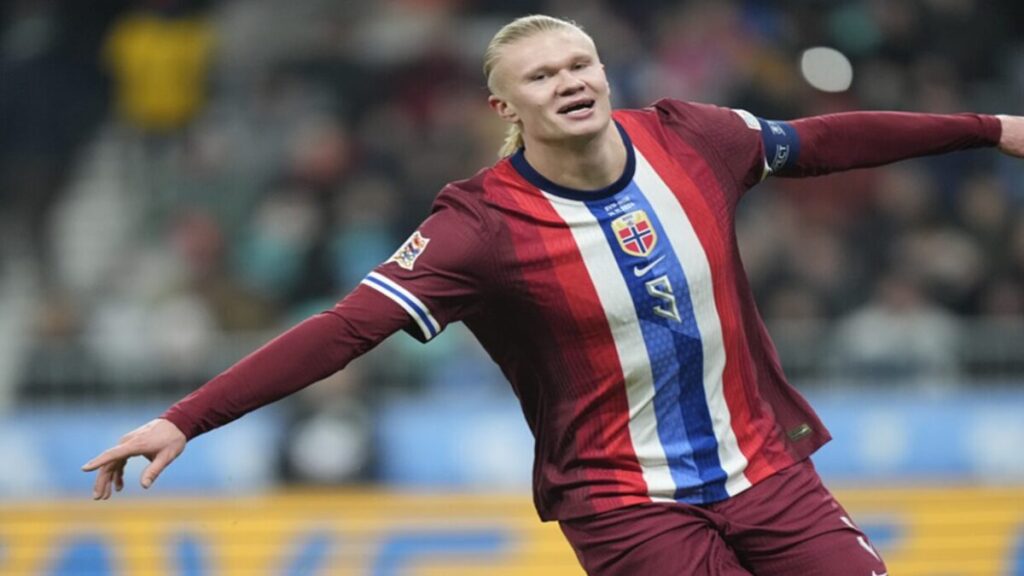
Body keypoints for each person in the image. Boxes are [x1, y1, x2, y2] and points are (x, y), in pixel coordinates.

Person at [83, 14, 1024, 576]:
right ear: (506, 107)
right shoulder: (477, 226)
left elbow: (826, 140)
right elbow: (344, 329)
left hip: (766, 471)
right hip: (626, 504)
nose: (568, 82)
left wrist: (988, 127)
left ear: (603, 72)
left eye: (579, 64)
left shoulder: (690, 137)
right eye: (541, 76)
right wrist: (187, 418)